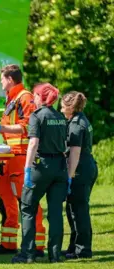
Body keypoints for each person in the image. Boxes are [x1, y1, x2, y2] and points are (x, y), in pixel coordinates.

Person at [0, 64, 46, 255]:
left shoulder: (24, 98)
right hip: (8, 156)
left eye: (2, 79)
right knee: (6, 202)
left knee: (27, 202)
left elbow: (28, 127)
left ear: (10, 79)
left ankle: (37, 245)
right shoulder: (11, 99)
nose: (0, 82)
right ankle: (8, 243)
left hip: (20, 156)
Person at [11, 83, 68, 263]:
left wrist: (27, 169)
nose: (33, 98)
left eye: (35, 95)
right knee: (56, 212)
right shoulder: (60, 116)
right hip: (60, 167)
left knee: (27, 208)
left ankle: (27, 254)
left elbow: (33, 143)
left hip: (42, 166)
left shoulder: (37, 116)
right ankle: (55, 255)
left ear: (40, 97)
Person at [60, 91, 98, 260]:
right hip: (86, 166)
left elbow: (74, 153)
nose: (60, 110)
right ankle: (73, 247)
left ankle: (83, 250)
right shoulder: (81, 119)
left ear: (70, 107)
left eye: (62, 107)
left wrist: (69, 176)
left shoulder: (76, 125)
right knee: (72, 209)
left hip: (79, 169)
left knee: (79, 210)